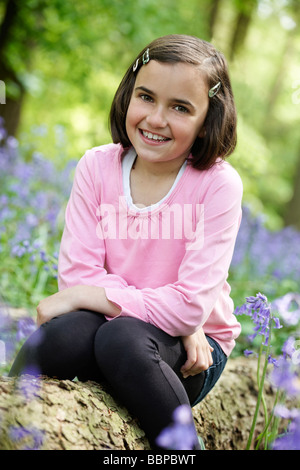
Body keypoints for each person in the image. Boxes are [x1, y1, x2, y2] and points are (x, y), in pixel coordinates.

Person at [9, 34, 243, 450]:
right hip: (117, 325)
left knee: (123, 340)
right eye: (146, 97)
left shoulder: (217, 185)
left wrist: (184, 324)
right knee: (59, 338)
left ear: (209, 118)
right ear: (127, 95)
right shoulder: (97, 166)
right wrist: (165, 314)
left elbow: (190, 307)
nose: (156, 118)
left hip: (192, 356)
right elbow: (79, 275)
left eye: (180, 107)